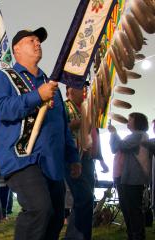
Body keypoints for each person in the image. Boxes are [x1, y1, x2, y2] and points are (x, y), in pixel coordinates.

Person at [0, 28, 80, 240]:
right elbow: (1, 109)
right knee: (39, 208)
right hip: (21, 157)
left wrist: (73, 157)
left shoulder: (51, 85)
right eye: (31, 40)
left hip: (51, 161)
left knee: (56, 217)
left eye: (39, 40)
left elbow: (62, 125)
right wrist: (36, 96)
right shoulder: (4, 78)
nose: (37, 43)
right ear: (17, 49)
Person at [109, 112, 151, 240]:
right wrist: (113, 134)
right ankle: (132, 234)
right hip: (125, 178)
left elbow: (120, 146)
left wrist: (114, 133)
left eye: (130, 120)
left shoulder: (139, 135)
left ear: (137, 122)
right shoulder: (133, 136)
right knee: (127, 209)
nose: (127, 122)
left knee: (133, 209)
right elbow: (115, 148)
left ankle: (137, 235)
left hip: (132, 179)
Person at [63, 85, 95, 240]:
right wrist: (70, 126)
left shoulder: (85, 108)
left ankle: (83, 235)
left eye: (86, 89)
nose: (85, 92)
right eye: (81, 89)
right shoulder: (63, 107)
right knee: (84, 197)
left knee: (86, 198)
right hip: (72, 158)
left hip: (87, 157)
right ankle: (75, 236)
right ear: (70, 91)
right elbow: (56, 131)